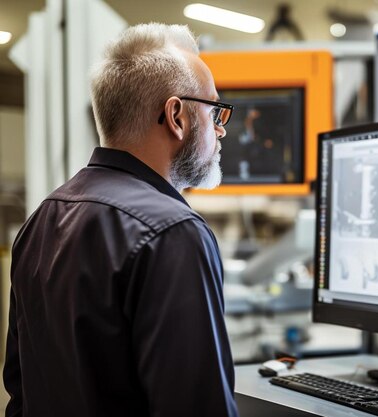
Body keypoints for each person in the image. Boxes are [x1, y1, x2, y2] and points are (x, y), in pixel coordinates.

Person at [4, 23, 238, 416]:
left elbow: (21, 391)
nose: (220, 130)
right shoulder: (175, 233)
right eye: (214, 110)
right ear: (176, 116)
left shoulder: (43, 218)